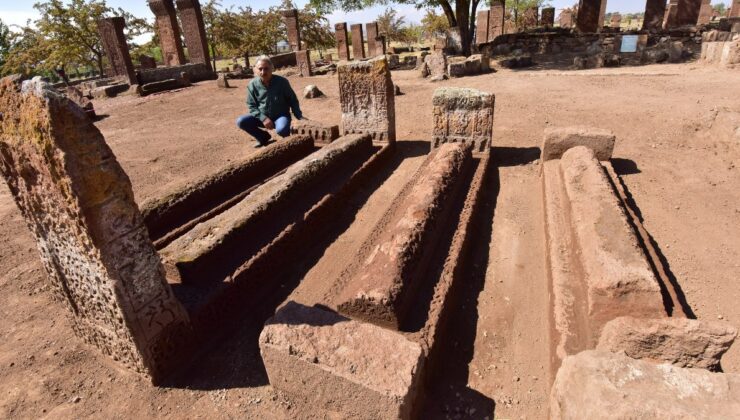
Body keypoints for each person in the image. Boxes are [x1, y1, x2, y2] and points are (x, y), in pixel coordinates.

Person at [236, 55, 303, 148]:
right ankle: (263, 137)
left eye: (266, 69)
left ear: (272, 68)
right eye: (260, 69)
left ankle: (289, 141)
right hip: (262, 117)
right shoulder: (252, 84)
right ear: (255, 70)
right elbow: (251, 105)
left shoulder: (282, 82)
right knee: (241, 121)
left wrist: (299, 116)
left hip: (280, 116)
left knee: (282, 129)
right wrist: (263, 118)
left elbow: (293, 100)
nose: (263, 72)